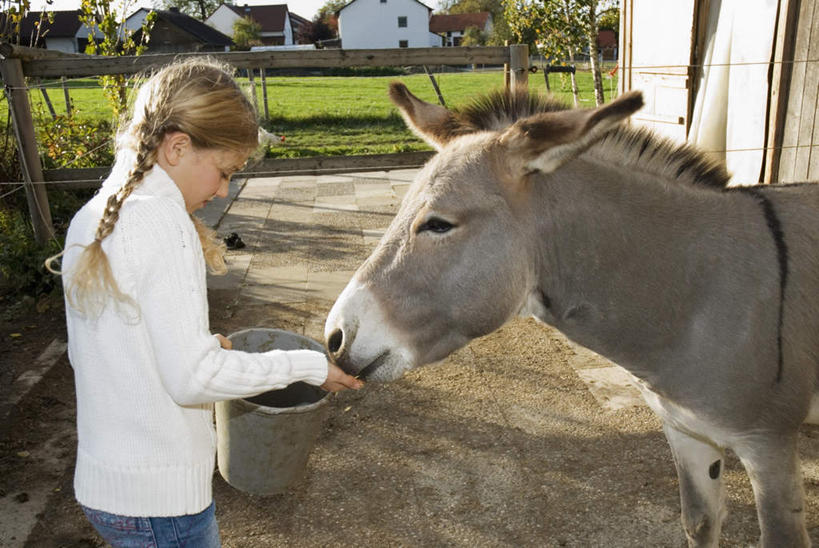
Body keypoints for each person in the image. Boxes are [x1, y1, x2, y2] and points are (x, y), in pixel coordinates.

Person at [45, 58, 363, 547]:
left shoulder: (99, 213)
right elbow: (193, 379)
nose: (221, 190)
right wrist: (307, 366)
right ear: (177, 147)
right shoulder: (159, 222)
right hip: (160, 503)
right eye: (223, 171)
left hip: (111, 484)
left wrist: (192, 345)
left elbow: (103, 348)